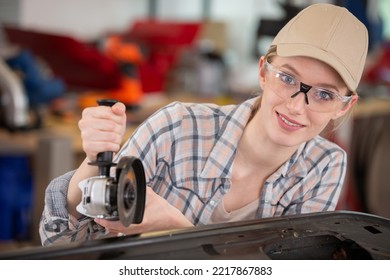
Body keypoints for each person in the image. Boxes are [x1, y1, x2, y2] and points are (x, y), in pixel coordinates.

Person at [39, 3, 368, 245]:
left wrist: (179, 232)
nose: (297, 106)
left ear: (344, 106)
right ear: (263, 72)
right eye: (287, 78)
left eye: (324, 95)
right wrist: (93, 164)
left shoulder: (325, 165)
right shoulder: (177, 127)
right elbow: (64, 241)